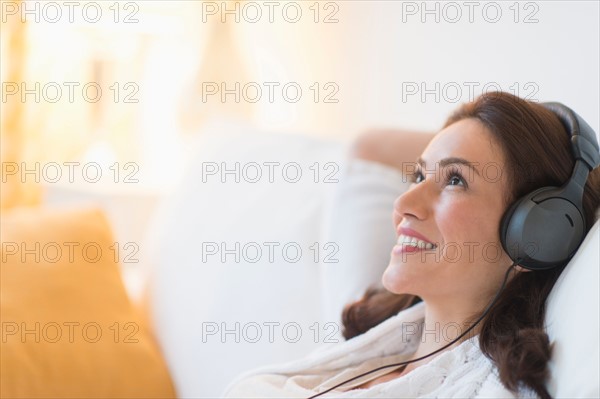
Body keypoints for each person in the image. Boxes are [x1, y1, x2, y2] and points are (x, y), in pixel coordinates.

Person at [222, 92, 600, 398]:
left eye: (455, 181)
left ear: (537, 233)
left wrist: (571, 188)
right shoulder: (375, 326)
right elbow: (369, 148)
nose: (403, 205)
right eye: (419, 175)